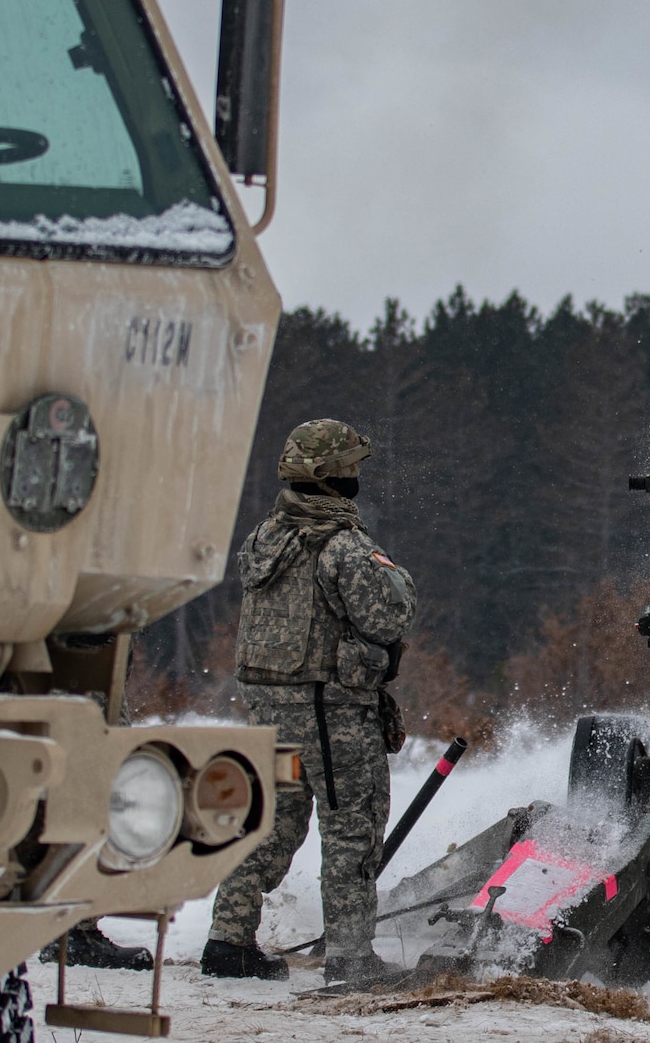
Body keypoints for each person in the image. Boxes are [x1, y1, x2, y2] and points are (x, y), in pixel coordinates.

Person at [201, 419, 417, 986]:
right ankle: (350, 955)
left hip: (269, 707)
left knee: (271, 821)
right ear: (336, 476)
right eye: (353, 468)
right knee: (353, 825)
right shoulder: (342, 546)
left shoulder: (265, 537)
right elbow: (389, 615)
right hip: (330, 710)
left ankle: (228, 941)